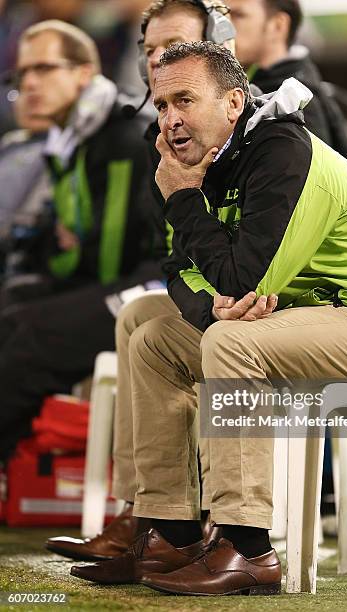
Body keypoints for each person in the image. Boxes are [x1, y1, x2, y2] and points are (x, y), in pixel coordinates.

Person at [67, 41, 347, 596]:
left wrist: (185, 205)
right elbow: (180, 270)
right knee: (147, 327)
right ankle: (169, 528)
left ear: (234, 103)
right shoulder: (187, 158)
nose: (169, 119)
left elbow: (242, 277)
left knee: (231, 343)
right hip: (307, 313)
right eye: (162, 104)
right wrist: (211, 303)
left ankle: (248, 547)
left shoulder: (280, 151)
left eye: (185, 101)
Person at [45, 0, 234, 563]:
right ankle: (148, 511)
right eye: (150, 50)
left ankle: (192, 523)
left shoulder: (262, 126)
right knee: (137, 315)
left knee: (141, 323)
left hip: (272, 304)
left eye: (175, 47)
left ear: (217, 49)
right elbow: (174, 255)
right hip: (206, 292)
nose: (160, 60)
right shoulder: (160, 133)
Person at [0, 20, 161, 459]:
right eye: (20, 75)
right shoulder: (71, 138)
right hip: (117, 272)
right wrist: (61, 248)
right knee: (10, 306)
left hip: (157, 283)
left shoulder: (121, 135)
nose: (29, 83)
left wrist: (66, 248)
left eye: (44, 69)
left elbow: (110, 257)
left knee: (31, 334)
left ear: (84, 72)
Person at [227, 0, 347, 153]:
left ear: (278, 26)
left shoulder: (298, 103)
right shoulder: (281, 87)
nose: (224, 27)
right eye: (222, 14)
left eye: (238, 15)